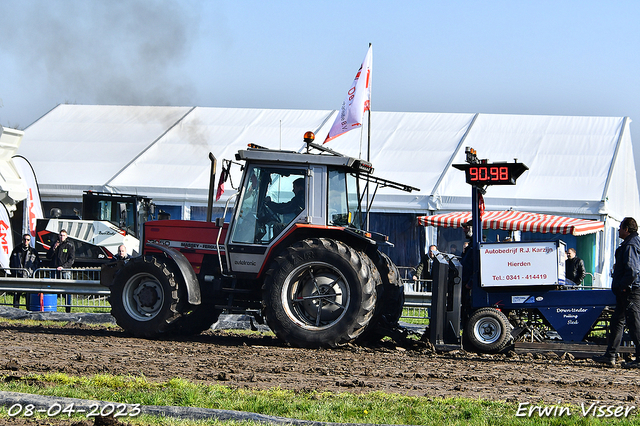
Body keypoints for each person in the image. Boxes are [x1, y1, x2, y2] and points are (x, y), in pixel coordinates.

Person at [594, 217, 640, 367]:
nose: (619, 230)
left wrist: (623, 285)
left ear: (627, 229)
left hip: (630, 292)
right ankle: (610, 355)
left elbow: (633, 270)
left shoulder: (630, 245)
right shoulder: (632, 243)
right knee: (617, 322)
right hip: (627, 291)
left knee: (634, 324)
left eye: (620, 227)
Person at [9, 233, 40, 308]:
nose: (26, 241)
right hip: (18, 275)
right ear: (22, 240)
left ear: (29, 241)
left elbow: (37, 263)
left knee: (28, 295)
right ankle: (15, 310)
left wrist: (32, 273)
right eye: (25, 239)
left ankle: (28, 310)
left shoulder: (33, 251)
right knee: (17, 294)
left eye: (28, 240)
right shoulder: (16, 250)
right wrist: (14, 272)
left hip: (28, 276)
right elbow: (11, 261)